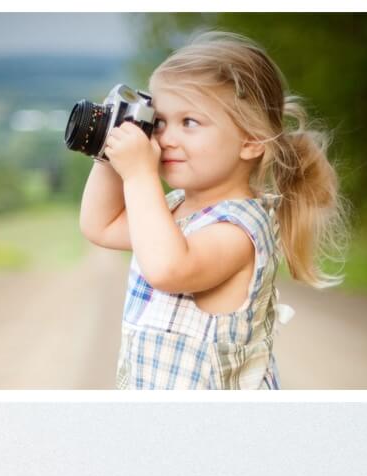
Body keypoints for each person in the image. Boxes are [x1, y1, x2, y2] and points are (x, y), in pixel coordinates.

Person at [78, 30, 347, 389]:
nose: (166, 138)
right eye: (159, 122)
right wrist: (110, 152)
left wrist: (140, 174)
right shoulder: (172, 209)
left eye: (189, 122)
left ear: (250, 141)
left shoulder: (240, 229)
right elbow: (100, 225)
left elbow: (169, 268)